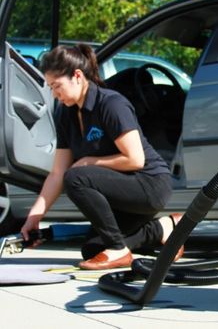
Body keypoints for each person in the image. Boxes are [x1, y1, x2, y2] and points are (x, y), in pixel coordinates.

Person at [20, 44, 183, 270]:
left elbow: (135, 160)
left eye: (57, 86)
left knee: (76, 177)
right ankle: (165, 228)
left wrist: (90, 162)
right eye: (50, 87)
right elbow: (57, 173)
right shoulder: (65, 114)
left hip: (149, 184)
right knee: (92, 249)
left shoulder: (110, 104)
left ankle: (118, 251)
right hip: (121, 192)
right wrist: (34, 217)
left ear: (77, 76)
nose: (54, 94)